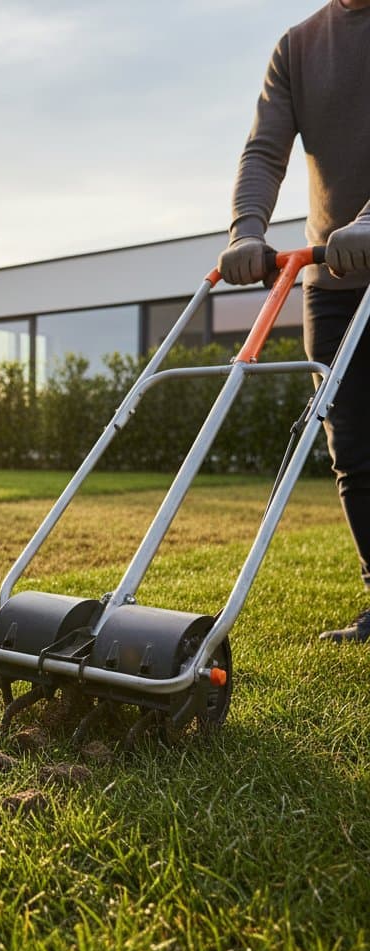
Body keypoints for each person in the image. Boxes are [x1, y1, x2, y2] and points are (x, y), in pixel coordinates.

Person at [217, 0, 370, 641]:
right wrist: (246, 230)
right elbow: (263, 151)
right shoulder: (299, 46)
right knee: (352, 450)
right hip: (330, 279)